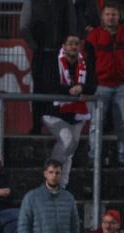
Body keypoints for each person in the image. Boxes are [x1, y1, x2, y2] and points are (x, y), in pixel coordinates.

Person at [84, 1, 124, 168]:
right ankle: (94, 159)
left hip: (122, 86)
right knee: (96, 125)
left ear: (119, 16)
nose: (111, 17)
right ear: (102, 16)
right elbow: (89, 63)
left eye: (114, 14)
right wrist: (93, 84)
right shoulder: (93, 37)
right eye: (108, 14)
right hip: (100, 87)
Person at [41, 34, 96, 190]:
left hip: (77, 114)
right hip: (55, 112)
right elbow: (48, 84)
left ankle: (62, 185)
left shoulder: (86, 63)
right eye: (70, 43)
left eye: (76, 44)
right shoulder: (53, 61)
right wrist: (70, 90)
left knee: (70, 151)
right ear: (63, 46)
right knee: (67, 140)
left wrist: (82, 89)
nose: (73, 46)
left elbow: (94, 85)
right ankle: (50, 177)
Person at [19, 0, 77, 134]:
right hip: (41, 54)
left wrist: (68, 48)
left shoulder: (66, 3)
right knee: (39, 89)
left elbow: (72, 26)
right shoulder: (32, 2)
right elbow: (23, 27)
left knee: (62, 88)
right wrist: (34, 46)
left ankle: (60, 126)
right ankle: (37, 125)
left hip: (61, 53)